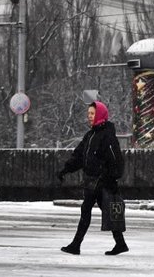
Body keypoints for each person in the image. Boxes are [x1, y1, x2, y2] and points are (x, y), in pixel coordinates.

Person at [57, 100, 129, 255]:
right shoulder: (90, 135)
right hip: (91, 181)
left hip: (101, 182)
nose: (89, 116)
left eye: (92, 113)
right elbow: (79, 156)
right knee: (98, 211)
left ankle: (76, 245)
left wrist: (109, 179)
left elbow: (116, 161)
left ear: (100, 115)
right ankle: (120, 244)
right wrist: (65, 170)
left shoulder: (107, 136)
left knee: (90, 210)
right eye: (88, 113)